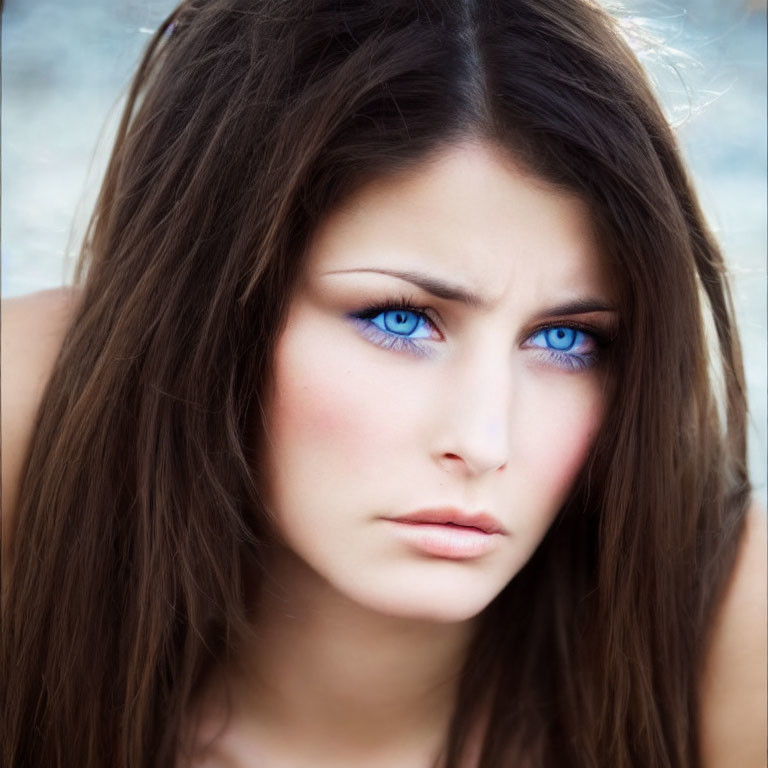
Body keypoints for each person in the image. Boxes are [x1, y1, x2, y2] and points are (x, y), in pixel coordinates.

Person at [1, 1, 765, 766]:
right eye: (401, 321)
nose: (482, 442)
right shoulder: (29, 425)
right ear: (206, 303)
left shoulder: (732, 625)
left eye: (564, 338)